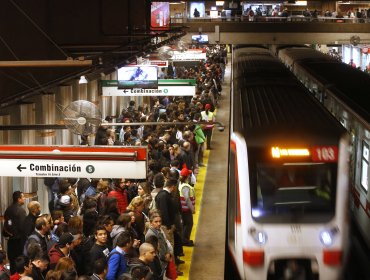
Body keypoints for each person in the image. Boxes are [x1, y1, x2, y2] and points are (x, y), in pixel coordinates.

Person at [3, 191, 26, 274]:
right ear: (19, 199)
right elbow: (23, 227)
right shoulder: (21, 211)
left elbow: (8, 224)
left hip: (11, 242)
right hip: (19, 243)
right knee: (20, 267)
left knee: (12, 266)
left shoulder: (8, 210)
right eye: (23, 197)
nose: (24, 199)